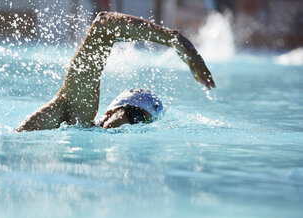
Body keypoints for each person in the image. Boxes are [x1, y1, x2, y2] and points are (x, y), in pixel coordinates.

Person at [16, 12, 215, 132]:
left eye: (144, 125)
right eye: (136, 116)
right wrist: (172, 38)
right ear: (111, 110)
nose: (132, 126)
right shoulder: (76, 111)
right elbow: (104, 26)